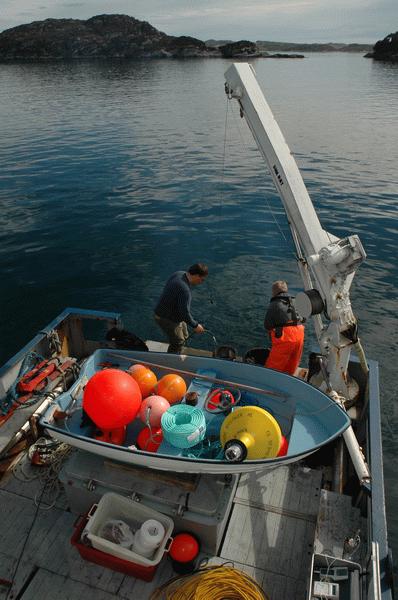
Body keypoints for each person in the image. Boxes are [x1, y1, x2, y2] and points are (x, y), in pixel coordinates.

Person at [154, 263, 208, 354]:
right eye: (202, 279)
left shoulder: (179, 274)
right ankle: (171, 361)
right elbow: (185, 313)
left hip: (168, 312)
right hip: (165, 318)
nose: (201, 282)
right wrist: (195, 325)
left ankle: (178, 353)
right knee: (178, 342)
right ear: (196, 275)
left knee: (185, 335)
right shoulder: (184, 290)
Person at [263, 280, 304, 375]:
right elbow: (304, 318)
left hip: (285, 336)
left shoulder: (274, 304)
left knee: (274, 366)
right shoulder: (295, 300)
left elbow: (267, 325)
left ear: (274, 292)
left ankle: (269, 382)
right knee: (292, 364)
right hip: (300, 334)